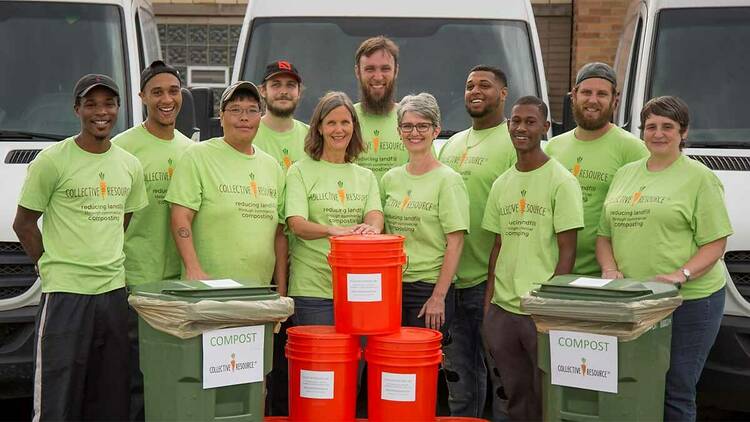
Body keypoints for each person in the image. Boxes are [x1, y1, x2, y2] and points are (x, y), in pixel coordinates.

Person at [13, 74, 148, 421]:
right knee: (59, 399)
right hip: (66, 296)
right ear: (77, 110)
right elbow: (24, 223)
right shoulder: (53, 161)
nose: (100, 112)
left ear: (118, 109)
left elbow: (124, 219)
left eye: (108, 104)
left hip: (113, 296)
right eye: (91, 104)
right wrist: (51, 264)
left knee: (111, 398)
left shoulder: (129, 165)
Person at [596, 96, 732, 422]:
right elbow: (604, 235)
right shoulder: (626, 173)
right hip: (637, 301)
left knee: (676, 389)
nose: (658, 133)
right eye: (651, 126)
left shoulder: (700, 178)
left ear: (683, 133)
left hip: (689, 302)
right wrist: (610, 268)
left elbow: (715, 243)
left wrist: (681, 274)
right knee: (635, 384)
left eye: (667, 127)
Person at [482, 96, 583, 422]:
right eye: (516, 121)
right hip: (504, 311)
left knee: (547, 399)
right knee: (516, 397)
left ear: (545, 127)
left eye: (529, 121)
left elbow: (568, 251)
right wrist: (489, 308)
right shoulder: (501, 183)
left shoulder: (562, 181)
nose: (521, 128)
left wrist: (549, 309)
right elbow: (498, 246)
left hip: (539, 312)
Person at [112, 60, 193, 421]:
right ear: (142, 96)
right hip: (136, 280)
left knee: (174, 374)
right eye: (157, 92)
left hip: (179, 285)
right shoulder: (122, 147)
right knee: (134, 376)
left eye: (173, 91)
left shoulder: (191, 149)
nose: (166, 99)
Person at [438, 65, 517, 418]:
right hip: (452, 278)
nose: (475, 91)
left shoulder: (515, 140)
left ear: (504, 93)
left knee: (501, 377)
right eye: (470, 85)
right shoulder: (452, 143)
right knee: (458, 377)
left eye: (485, 85)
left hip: (492, 280)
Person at [166, 81, 287, 291]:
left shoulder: (272, 167)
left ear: (260, 117)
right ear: (221, 117)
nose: (244, 118)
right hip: (208, 291)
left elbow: (279, 234)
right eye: (235, 110)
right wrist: (193, 269)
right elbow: (180, 217)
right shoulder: (198, 156)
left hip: (257, 293)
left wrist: (281, 290)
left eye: (252, 110)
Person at [285, 91, 383, 325]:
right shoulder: (300, 171)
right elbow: (296, 225)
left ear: (354, 127)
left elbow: (375, 215)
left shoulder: (366, 176)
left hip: (359, 288)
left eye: (345, 122)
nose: (339, 130)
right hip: (313, 290)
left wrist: (373, 229)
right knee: (321, 362)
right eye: (331, 123)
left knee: (357, 360)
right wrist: (334, 230)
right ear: (319, 127)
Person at [546, 62, 648, 276]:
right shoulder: (554, 147)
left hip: (606, 274)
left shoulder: (632, 149)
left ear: (615, 100)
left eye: (602, 94)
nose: (593, 100)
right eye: (586, 92)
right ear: (574, 95)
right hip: (554, 270)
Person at [380, 93, 468, 335]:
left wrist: (438, 297)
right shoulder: (390, 179)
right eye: (407, 126)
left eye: (422, 126)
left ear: (436, 130)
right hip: (393, 287)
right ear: (398, 131)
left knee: (420, 366)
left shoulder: (449, 181)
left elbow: (456, 242)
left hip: (429, 288)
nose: (414, 133)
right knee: (390, 362)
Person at [353, 36, 407, 180]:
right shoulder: (343, 119)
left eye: (385, 69)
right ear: (358, 72)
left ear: (396, 71)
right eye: (370, 69)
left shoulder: (412, 120)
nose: (378, 77)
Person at [255, 60, 309, 171]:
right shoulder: (249, 134)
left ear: (299, 92)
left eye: (290, 85)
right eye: (276, 85)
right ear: (263, 91)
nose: (284, 91)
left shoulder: (312, 136)